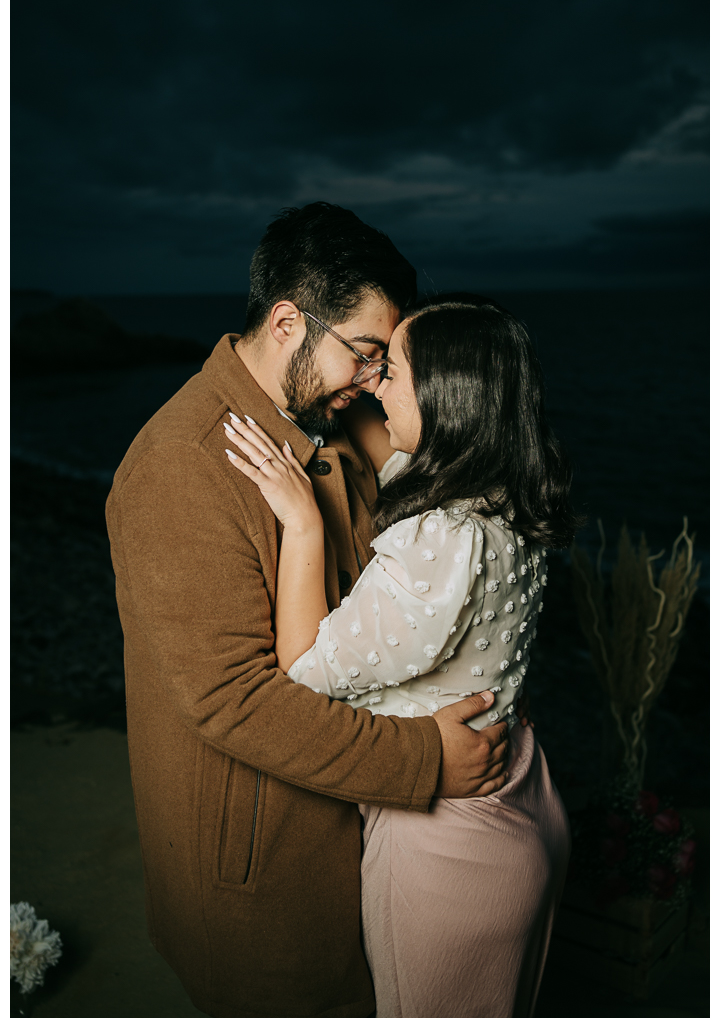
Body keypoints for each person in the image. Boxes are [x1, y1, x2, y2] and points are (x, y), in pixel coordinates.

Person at [105, 204, 512, 1019]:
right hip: (261, 864)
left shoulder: (336, 418)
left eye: (381, 360)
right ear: (288, 320)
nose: (370, 379)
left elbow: (454, 470)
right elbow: (233, 701)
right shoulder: (179, 467)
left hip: (355, 840)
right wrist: (423, 762)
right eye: (365, 352)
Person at [224, 296, 576, 1017]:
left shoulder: (438, 540)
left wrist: (303, 522)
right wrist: (342, 384)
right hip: (526, 798)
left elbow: (303, 671)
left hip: (448, 848)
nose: (374, 383)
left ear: (447, 396)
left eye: (394, 370)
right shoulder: (504, 495)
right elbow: (397, 445)